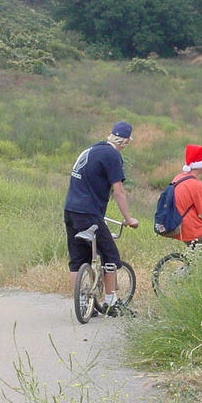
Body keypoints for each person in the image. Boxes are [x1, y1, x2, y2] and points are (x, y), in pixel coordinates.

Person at [64, 121, 139, 316]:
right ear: (126, 141)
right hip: (89, 213)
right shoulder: (113, 155)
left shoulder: (92, 149)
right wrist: (129, 218)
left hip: (71, 210)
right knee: (110, 256)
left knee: (78, 259)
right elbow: (119, 191)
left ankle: (82, 303)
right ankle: (111, 303)